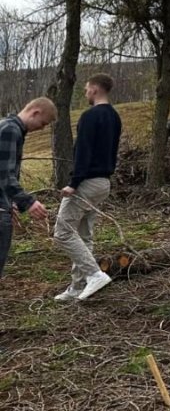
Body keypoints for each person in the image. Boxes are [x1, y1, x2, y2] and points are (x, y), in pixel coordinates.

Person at [53, 74, 122, 302]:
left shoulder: (90, 116)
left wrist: (74, 183)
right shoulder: (115, 116)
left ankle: (94, 275)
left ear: (94, 89)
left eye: (86, 89)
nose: (85, 94)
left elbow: (83, 152)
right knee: (84, 234)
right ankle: (78, 286)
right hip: (104, 183)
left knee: (62, 232)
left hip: (87, 182)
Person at [0, 97, 56, 278]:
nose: (42, 128)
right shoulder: (10, 130)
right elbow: (4, 174)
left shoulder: (6, 126)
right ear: (35, 112)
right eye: (43, 123)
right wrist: (28, 202)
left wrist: (11, 202)